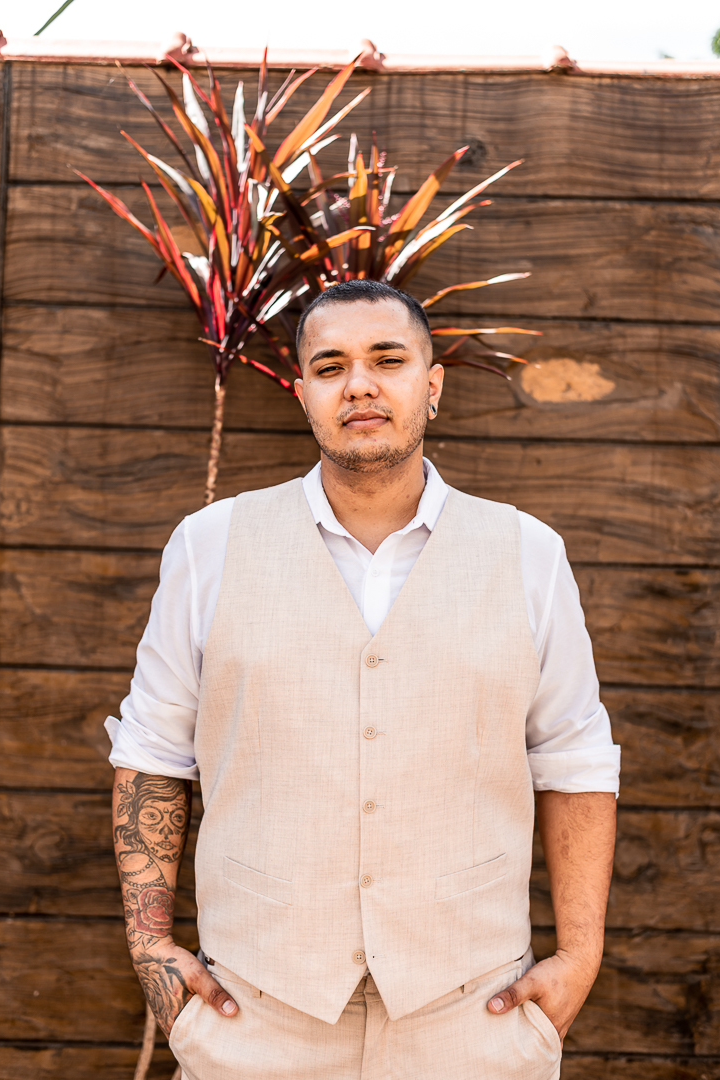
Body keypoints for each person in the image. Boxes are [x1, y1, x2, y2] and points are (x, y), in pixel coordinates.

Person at [107, 279, 620, 1080]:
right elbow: (152, 751)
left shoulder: (528, 554)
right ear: (302, 392)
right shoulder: (210, 546)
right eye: (330, 366)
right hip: (253, 1017)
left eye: (387, 360)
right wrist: (149, 947)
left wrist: (581, 954)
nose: (359, 385)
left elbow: (574, 759)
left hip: (473, 1017)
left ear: (431, 384)